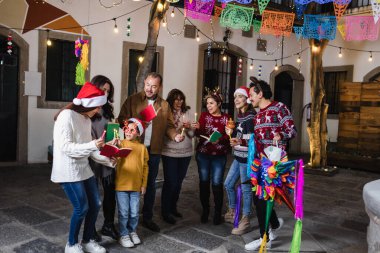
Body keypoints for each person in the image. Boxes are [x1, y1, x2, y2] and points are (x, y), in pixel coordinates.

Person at [51, 82, 115, 253]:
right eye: (97, 107)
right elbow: (66, 148)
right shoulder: (66, 116)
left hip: (84, 168)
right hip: (67, 170)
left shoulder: (86, 119)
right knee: (81, 208)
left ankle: (87, 240)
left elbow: (91, 150)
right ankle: (71, 244)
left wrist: (109, 160)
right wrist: (94, 144)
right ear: (88, 104)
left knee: (95, 204)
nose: (98, 111)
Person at [117, 72, 184, 232]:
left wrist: (175, 136)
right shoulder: (132, 100)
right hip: (133, 148)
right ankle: (125, 219)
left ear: (159, 87)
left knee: (150, 184)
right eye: (147, 84)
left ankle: (147, 217)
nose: (149, 88)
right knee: (128, 183)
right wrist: (137, 123)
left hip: (153, 150)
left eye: (154, 86)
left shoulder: (164, 105)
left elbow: (169, 126)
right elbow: (121, 120)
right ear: (144, 83)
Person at [245, 77, 297, 251]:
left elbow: (292, 130)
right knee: (258, 196)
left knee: (261, 199)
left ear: (260, 93)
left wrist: (280, 136)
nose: (249, 98)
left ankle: (264, 238)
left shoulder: (279, 107)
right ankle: (273, 225)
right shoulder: (257, 116)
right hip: (261, 162)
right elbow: (257, 141)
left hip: (275, 163)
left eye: (251, 94)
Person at [191, 88, 231, 225]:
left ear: (219, 104)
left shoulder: (226, 118)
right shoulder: (203, 116)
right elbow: (199, 134)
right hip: (203, 154)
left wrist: (220, 139)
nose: (209, 106)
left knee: (217, 183)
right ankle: (205, 210)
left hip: (219, 155)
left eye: (212, 103)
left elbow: (230, 136)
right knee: (203, 182)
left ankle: (217, 213)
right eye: (207, 103)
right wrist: (196, 128)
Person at [88, 75, 119, 241]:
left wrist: (115, 140)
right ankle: (90, 229)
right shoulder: (86, 109)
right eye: (103, 89)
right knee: (92, 197)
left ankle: (108, 225)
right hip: (91, 157)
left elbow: (110, 131)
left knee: (110, 193)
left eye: (108, 91)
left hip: (106, 155)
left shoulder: (107, 109)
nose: (105, 93)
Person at [224, 86, 256, 235]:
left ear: (247, 99)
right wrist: (232, 132)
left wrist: (239, 140)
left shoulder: (251, 116)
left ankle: (246, 219)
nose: (236, 99)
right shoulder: (241, 116)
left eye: (240, 97)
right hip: (238, 156)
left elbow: (253, 138)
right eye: (235, 96)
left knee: (246, 189)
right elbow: (240, 134)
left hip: (246, 159)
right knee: (228, 184)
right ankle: (233, 212)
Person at [161, 89, 194, 224]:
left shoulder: (187, 113)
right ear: (171, 100)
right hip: (169, 152)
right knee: (170, 182)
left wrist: (190, 127)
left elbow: (191, 135)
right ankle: (165, 211)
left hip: (185, 153)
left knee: (179, 183)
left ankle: (173, 207)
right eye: (176, 99)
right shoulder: (166, 113)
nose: (179, 102)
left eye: (181, 99)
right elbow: (163, 131)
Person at [115, 118, 149, 248]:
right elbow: (115, 159)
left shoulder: (142, 148)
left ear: (138, 133)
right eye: (126, 129)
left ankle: (132, 231)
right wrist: (116, 146)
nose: (128, 132)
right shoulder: (121, 143)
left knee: (134, 212)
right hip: (122, 185)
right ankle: (123, 234)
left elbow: (145, 167)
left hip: (136, 186)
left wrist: (144, 184)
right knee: (123, 212)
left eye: (132, 130)